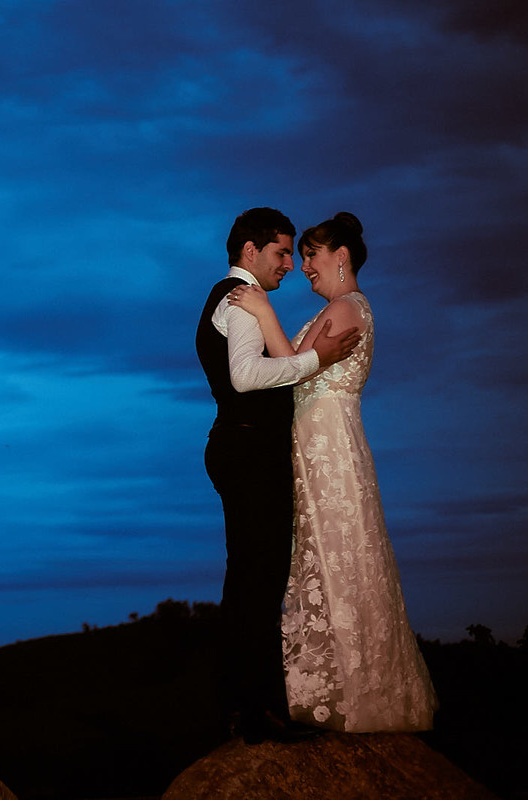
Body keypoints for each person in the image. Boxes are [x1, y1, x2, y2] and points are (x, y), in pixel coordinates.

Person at [227, 212, 438, 732]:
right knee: (327, 556)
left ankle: (354, 694)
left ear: (341, 256)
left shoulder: (347, 308)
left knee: (339, 553)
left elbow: (294, 363)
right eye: (298, 257)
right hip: (316, 442)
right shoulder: (345, 307)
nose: (302, 267)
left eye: (311, 256)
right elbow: (300, 364)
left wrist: (260, 307)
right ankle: (333, 686)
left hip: (329, 445)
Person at [196, 207, 361, 744]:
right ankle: (250, 712)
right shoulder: (240, 299)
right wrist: (316, 360)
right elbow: (245, 376)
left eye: (293, 253)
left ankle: (243, 708)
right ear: (250, 251)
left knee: (251, 580)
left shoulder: (239, 299)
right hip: (246, 447)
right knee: (257, 582)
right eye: (281, 252)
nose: (290, 264)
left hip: (240, 446)